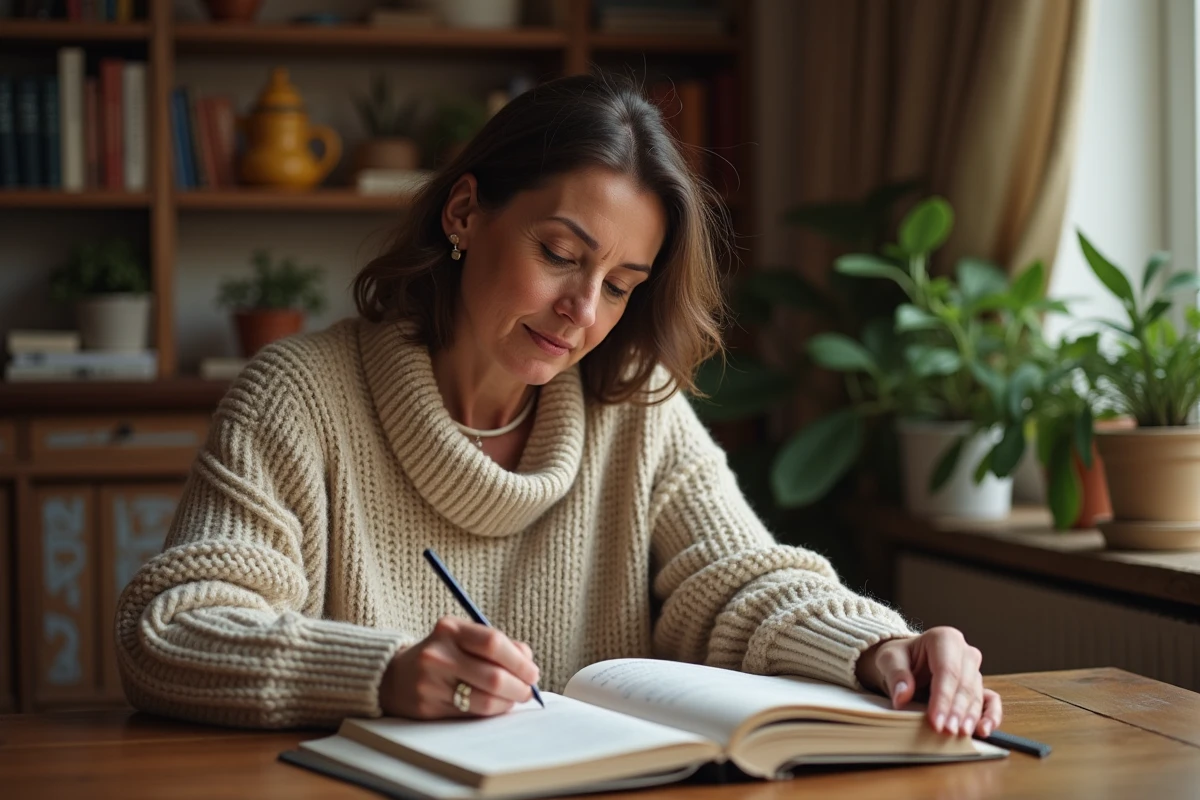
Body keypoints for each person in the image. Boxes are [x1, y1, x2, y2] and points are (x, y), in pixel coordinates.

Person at [115, 73, 1001, 740]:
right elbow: (172, 628)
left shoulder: (632, 404)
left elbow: (740, 581)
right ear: (465, 213)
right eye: (559, 253)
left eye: (620, 285)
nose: (584, 313)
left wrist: (879, 648)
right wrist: (382, 673)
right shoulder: (298, 399)